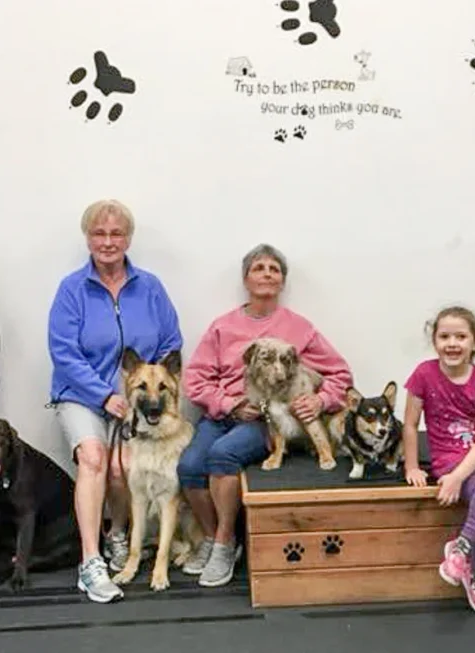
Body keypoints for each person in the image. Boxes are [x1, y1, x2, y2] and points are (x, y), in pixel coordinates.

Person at [177, 244, 353, 587]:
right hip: (223, 412)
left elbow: (340, 374)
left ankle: (225, 543)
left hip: (267, 420)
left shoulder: (300, 328)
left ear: (282, 282)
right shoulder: (222, 327)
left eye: (274, 269)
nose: (267, 274)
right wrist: (229, 404)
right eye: (259, 268)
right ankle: (212, 537)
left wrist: (320, 401)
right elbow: (195, 380)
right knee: (189, 466)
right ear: (246, 279)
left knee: (222, 455)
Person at [47, 198, 182, 603]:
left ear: (128, 239)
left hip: (136, 399)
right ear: (88, 238)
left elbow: (171, 342)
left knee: (123, 469)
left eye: (116, 233)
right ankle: (91, 562)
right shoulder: (72, 289)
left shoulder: (151, 287)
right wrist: (103, 394)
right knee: (93, 459)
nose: (108, 242)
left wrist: (148, 386)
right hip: (80, 394)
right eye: (99, 233)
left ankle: (118, 535)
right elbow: (63, 352)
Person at [403, 306, 475, 617]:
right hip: (448, 457)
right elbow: (409, 424)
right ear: (434, 341)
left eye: (461, 337)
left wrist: (457, 478)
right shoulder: (423, 375)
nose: (452, 343)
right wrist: (412, 466)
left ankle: (461, 548)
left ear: (474, 342)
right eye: (445, 336)